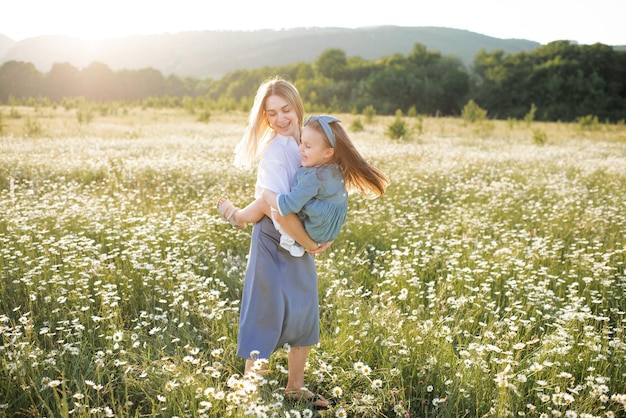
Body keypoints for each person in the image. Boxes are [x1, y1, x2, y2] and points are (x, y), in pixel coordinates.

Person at [216, 76, 332, 409]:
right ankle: (247, 392)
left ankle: (295, 387)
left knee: (304, 310)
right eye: (271, 114)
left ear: (297, 107)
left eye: (285, 110)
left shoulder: (307, 141)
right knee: (264, 312)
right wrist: (310, 242)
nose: (280, 119)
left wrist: (323, 231)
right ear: (264, 117)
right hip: (273, 238)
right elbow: (277, 210)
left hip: (298, 237)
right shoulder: (275, 153)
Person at [219, 115, 389, 257]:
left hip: (315, 232)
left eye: (307, 146)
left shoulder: (316, 176)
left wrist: (266, 193)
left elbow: (288, 205)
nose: (300, 149)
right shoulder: (333, 168)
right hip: (328, 230)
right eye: (301, 142)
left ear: (328, 152)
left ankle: (238, 217)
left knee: (267, 203)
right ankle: (242, 217)